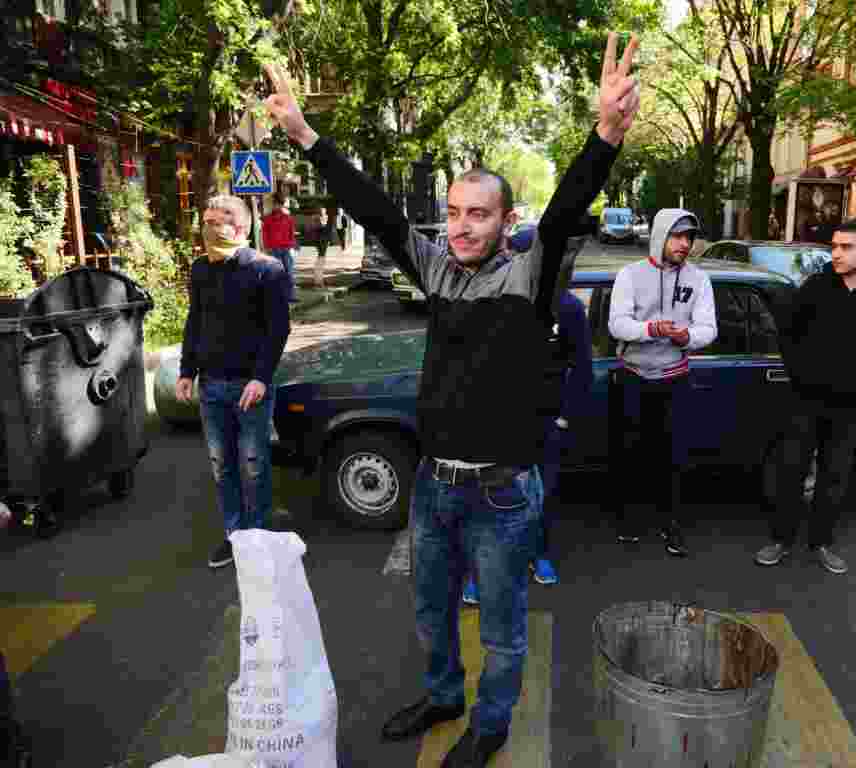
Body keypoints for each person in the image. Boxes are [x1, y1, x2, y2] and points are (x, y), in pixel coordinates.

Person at [262, 31, 640, 768]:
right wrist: (306, 135)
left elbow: (564, 214)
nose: (462, 226)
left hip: (503, 495)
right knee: (431, 611)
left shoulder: (529, 277)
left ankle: (492, 724)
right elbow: (373, 210)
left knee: (500, 628)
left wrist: (603, 137)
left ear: (505, 223)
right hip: (434, 486)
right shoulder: (436, 268)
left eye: (479, 214)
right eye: (455, 212)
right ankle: (443, 695)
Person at [756, 219, 856, 575]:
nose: (835, 253)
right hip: (805, 401)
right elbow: (787, 334)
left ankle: (821, 542)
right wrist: (800, 375)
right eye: (834, 246)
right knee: (791, 471)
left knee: (834, 477)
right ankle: (780, 539)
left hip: (849, 407)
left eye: (845, 247)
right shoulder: (817, 286)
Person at [462, 223, 593, 604]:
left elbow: (582, 368)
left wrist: (564, 417)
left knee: (542, 496)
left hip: (546, 422)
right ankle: (479, 574)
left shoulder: (567, 307)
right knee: (489, 498)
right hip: (498, 423)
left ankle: (539, 554)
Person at [175, 195, 291, 570]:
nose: (208, 228)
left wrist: (260, 378)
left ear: (241, 228)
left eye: (217, 222)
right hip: (211, 386)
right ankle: (234, 536)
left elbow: (278, 329)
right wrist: (186, 371)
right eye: (205, 221)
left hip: (249, 388)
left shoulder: (267, 269)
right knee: (221, 465)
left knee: (253, 464)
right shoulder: (201, 270)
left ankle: (257, 537)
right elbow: (195, 322)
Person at [606, 209, 718, 556]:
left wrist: (686, 337)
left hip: (674, 379)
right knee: (629, 451)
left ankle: (671, 524)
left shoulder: (699, 279)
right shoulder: (630, 275)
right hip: (633, 377)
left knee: (673, 455)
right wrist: (651, 329)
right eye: (678, 236)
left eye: (689, 238)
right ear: (660, 236)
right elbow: (617, 325)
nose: (685, 244)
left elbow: (708, 329)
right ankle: (628, 520)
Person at [261, 193, 298, 301]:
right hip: (273, 250)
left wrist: (291, 245)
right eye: (275, 204)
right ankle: (277, 296)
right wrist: (267, 247)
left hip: (286, 249)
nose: (276, 206)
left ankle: (290, 296)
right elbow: (265, 234)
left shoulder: (288, 218)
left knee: (289, 273)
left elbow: (292, 233)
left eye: (278, 204)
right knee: (274, 274)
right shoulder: (268, 219)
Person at [313, 206, 336, 288]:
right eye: (322, 211)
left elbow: (327, 230)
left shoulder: (323, 219)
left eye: (324, 211)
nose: (324, 213)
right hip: (320, 242)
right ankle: (318, 280)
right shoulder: (317, 219)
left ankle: (319, 279)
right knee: (321, 259)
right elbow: (318, 230)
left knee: (322, 260)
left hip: (323, 241)